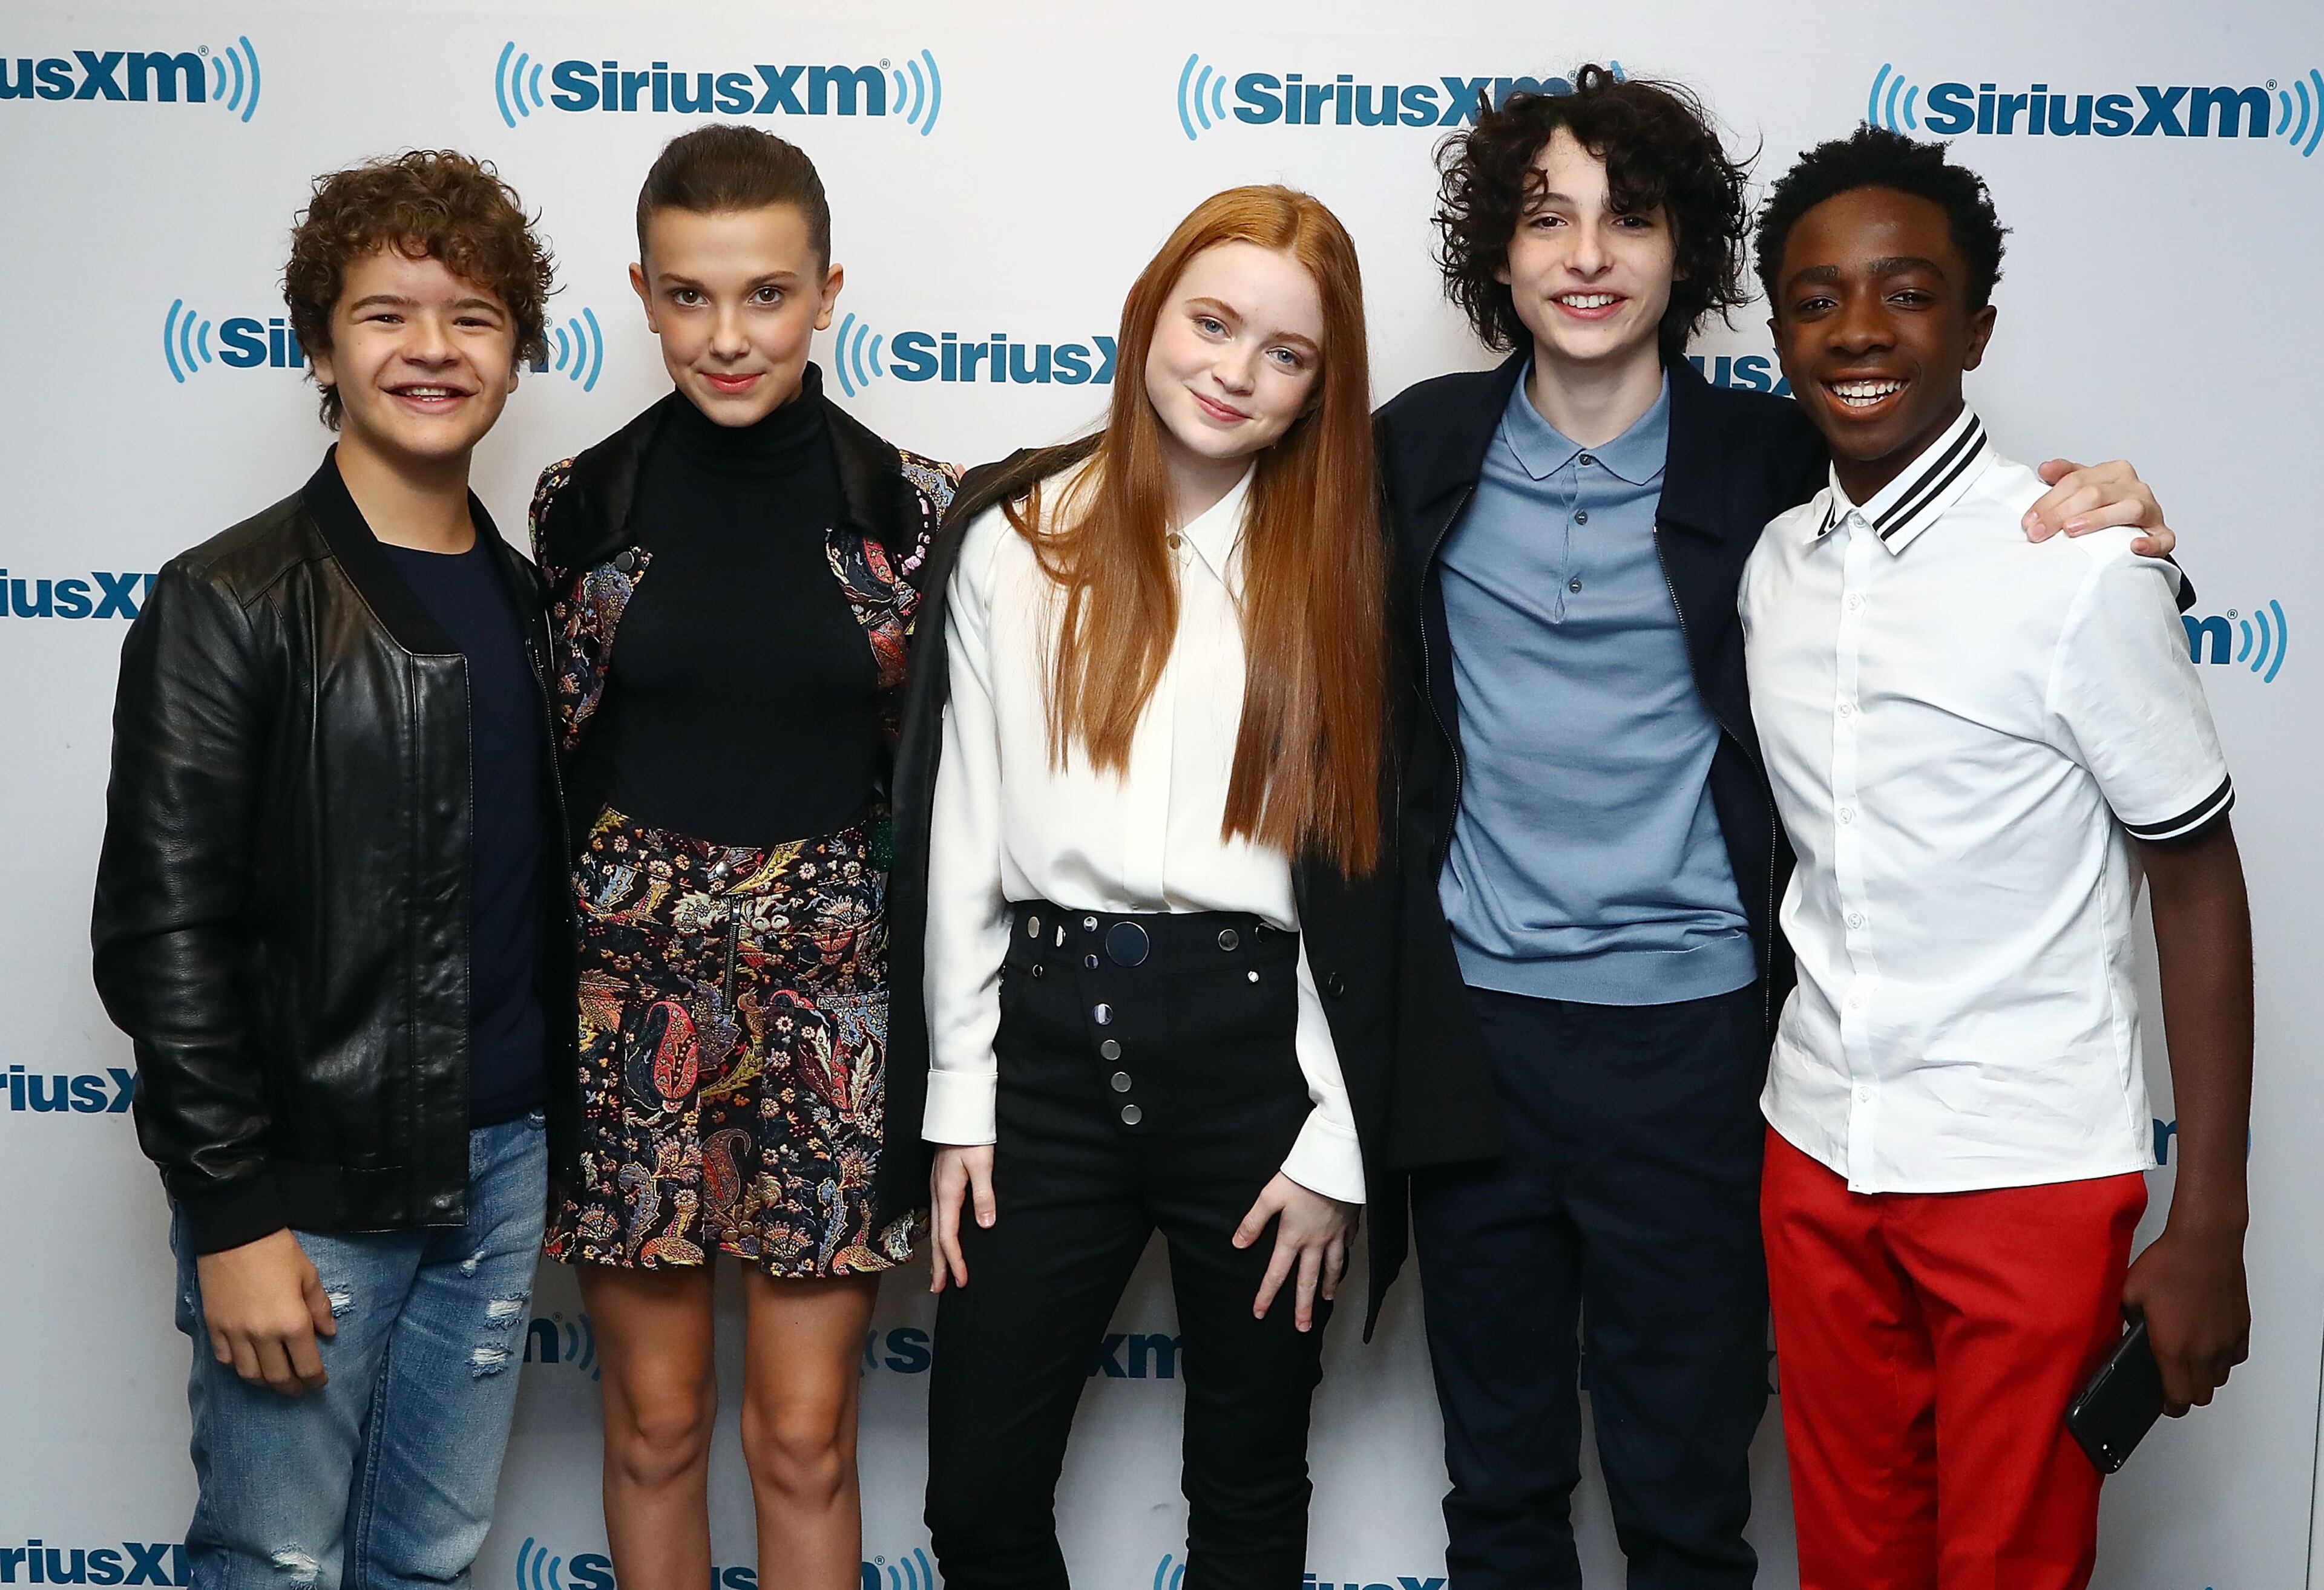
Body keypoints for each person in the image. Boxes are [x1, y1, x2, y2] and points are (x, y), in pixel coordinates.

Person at [1372, 67, 2184, 1590]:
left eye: (1632, 217)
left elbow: (1962, 518)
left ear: (1689, 257)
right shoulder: (1415, 451)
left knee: (1687, 1497)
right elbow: (1231, 546)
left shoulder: (1770, 459)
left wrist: (2132, 523)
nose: (1590, 253)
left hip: (1694, 1045)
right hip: (1475, 1041)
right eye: (1548, 219)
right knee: (1498, 1493)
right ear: (1499, 253)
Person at [1743, 124, 2251, 1590]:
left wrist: (2208, 1216)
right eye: (1816, 297)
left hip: (2023, 1166)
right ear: (1778, 327)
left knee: (2011, 1570)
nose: (1857, 330)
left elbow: (2199, 886)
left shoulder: (2080, 563)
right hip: (1817, 1144)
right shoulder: (1774, 569)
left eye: (1906, 293)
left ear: (1975, 324)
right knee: (1853, 1560)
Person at [885, 185, 1399, 1590]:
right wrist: (960, 1107)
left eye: (1286, 353)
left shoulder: (1356, 566)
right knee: (978, 1496)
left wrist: (1336, 1147)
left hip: (1263, 1073)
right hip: (1044, 1060)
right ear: (1150, 317)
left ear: (1322, 385)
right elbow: (963, 844)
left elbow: (1377, 884)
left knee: (1247, 1497)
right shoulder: (1016, 532)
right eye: (1212, 322)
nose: (1234, 371)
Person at [90, 150, 560, 1590]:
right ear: (321, 343)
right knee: (274, 1560)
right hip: (304, 1188)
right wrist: (230, 1212)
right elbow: (162, 936)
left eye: (472, 316)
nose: (432, 349)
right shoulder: (229, 599)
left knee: (427, 1556)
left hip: (501, 1170)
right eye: (386, 314)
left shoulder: (538, 597)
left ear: (519, 349)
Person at [529, 125, 954, 1590]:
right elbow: (555, 767)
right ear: (640, 293)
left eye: (766, 295)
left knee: (805, 1439)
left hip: (835, 1021)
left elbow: (951, 786)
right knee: (654, 1426)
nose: (728, 336)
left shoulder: (915, 512)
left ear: (828, 289)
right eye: (692, 297)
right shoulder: (579, 507)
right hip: (627, 1014)